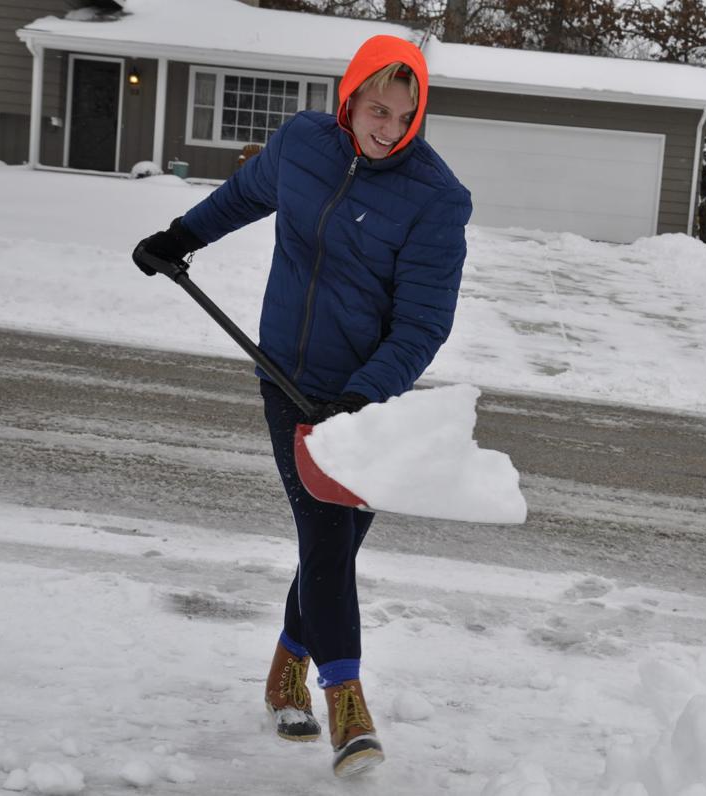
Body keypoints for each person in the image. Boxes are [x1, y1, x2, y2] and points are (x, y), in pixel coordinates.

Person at [132, 35, 471, 778]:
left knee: (339, 542)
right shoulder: (303, 144)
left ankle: (287, 665)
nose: (388, 127)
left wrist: (362, 397)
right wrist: (179, 238)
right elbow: (246, 196)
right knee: (323, 533)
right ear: (348, 97)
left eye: (404, 114)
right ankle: (345, 699)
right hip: (286, 377)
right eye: (376, 108)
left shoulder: (437, 199)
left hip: (369, 397)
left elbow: (422, 323)